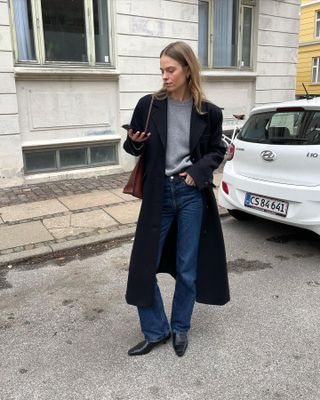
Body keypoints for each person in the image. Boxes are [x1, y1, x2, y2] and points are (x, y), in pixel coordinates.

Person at [123, 41, 230, 357]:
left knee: (187, 267)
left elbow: (217, 150)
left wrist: (197, 171)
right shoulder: (149, 105)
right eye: (162, 71)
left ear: (187, 70)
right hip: (158, 193)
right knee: (144, 265)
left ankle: (180, 326)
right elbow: (133, 149)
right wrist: (135, 142)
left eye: (170, 70)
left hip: (190, 194)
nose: (165, 76)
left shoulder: (208, 112)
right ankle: (157, 329)